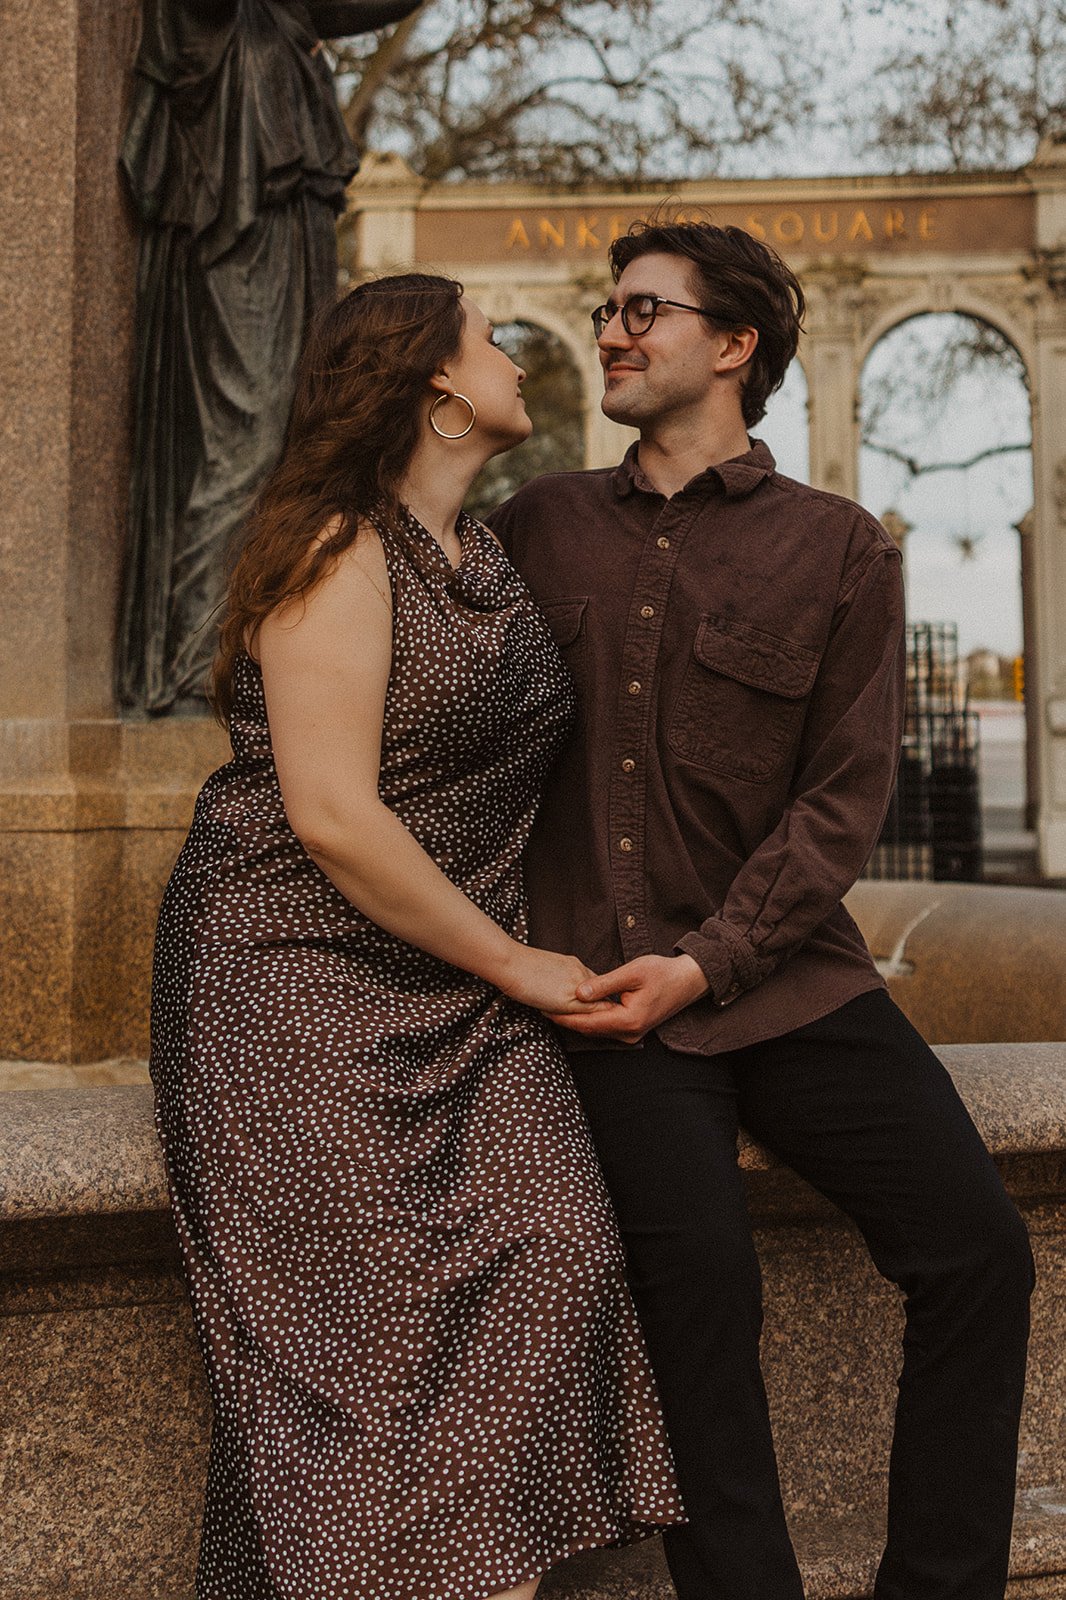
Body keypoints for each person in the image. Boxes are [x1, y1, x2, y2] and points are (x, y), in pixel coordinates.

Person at [489, 220, 1035, 1600]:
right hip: (609, 1004)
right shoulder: (533, 528)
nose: (610, 332)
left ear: (732, 345)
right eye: (604, 310)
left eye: (641, 311)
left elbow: (841, 806)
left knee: (979, 1251)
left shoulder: (839, 549)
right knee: (700, 1300)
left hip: (787, 981)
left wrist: (711, 958)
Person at [150, 272, 684, 1600]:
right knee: (367, 1358)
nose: (514, 359)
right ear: (435, 381)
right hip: (290, 973)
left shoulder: (489, 554)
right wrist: (516, 963)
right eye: (490, 341)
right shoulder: (335, 544)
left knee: (556, 1255)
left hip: (453, 975)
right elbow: (330, 813)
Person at [118, 0, 422, 715]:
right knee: (246, 435)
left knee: (289, 435)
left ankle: (226, 666)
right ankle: (196, 670)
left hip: (278, 183)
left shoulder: (284, 25)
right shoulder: (220, 26)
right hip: (240, 187)